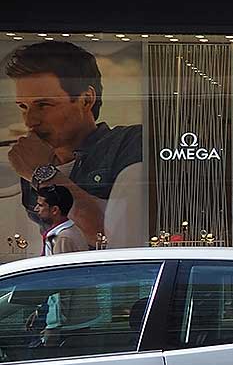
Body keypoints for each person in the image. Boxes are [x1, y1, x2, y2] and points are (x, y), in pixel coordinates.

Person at [6, 39, 144, 248]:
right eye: (23, 107)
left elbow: (110, 238)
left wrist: (43, 174)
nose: (29, 121)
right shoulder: (33, 159)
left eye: (43, 105)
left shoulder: (128, 143)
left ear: (86, 99)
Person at [35, 185, 89, 255]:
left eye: (40, 205)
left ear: (55, 210)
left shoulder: (63, 238)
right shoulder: (66, 232)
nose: (36, 209)